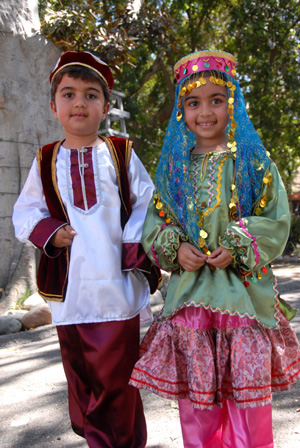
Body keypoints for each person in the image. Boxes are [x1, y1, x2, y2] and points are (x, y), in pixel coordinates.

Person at [129, 50, 300, 448]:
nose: (205, 112)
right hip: (191, 303)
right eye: (193, 102)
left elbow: (276, 220)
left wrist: (238, 243)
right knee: (198, 409)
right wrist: (177, 247)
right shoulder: (173, 170)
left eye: (216, 100)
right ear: (181, 110)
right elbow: (156, 224)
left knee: (248, 410)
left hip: (244, 301)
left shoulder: (255, 164)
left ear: (233, 104)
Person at [13, 50, 161, 448]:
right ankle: (109, 437)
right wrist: (51, 230)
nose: (80, 102)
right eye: (69, 94)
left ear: (106, 106)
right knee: (82, 379)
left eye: (91, 95)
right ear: (53, 106)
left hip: (116, 286)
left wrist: (132, 246)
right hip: (70, 291)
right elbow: (25, 212)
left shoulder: (120, 153)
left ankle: (114, 441)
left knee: (116, 380)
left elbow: (148, 204)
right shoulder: (45, 160)